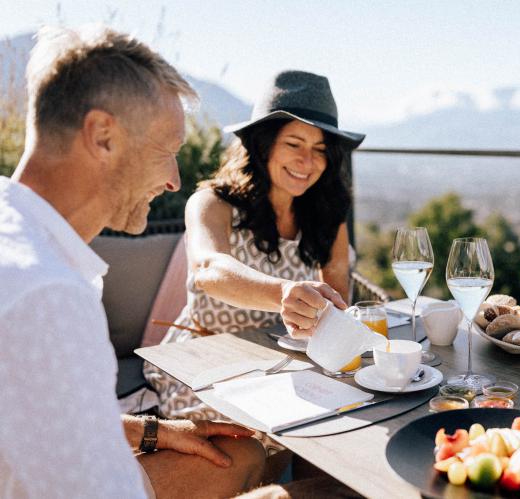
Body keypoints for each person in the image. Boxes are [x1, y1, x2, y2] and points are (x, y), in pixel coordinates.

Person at [0, 25, 267, 499]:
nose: (173, 181)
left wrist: (154, 432)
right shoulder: (49, 298)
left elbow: (32, 419)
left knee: (244, 454)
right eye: (166, 153)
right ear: (103, 136)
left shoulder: (18, 234)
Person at [144, 70, 366, 421]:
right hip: (207, 360)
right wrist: (284, 294)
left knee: (345, 418)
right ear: (264, 144)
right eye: (294, 144)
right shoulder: (212, 202)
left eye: (320, 150)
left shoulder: (328, 216)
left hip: (286, 364)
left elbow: (336, 300)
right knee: (253, 439)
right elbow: (209, 269)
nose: (307, 162)